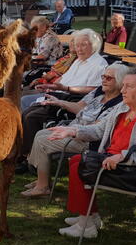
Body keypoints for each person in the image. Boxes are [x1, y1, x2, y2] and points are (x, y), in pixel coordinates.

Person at [45, 66, 136, 238]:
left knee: (81, 166)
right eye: (123, 85)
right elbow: (99, 130)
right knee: (77, 161)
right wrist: (74, 131)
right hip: (115, 162)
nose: (122, 90)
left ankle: (86, 226)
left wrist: (123, 157)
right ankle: (91, 217)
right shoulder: (123, 106)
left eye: (129, 86)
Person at [20, 63, 129, 198]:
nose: (104, 80)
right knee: (41, 133)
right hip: (73, 129)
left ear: (120, 82)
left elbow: (97, 128)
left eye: (109, 78)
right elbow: (79, 107)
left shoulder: (119, 104)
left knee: (43, 140)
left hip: (89, 140)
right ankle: (42, 179)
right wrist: (60, 102)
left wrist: (72, 130)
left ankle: (42, 187)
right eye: (103, 76)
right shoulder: (99, 92)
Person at [19, 29, 109, 160]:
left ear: (94, 46)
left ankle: (27, 155)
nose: (79, 49)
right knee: (24, 102)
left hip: (70, 100)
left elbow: (94, 90)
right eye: (77, 45)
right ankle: (25, 148)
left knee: (30, 116)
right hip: (58, 93)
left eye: (83, 45)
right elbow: (63, 78)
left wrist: (67, 88)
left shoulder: (99, 65)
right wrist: (51, 85)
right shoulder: (79, 61)